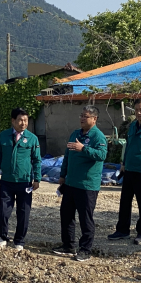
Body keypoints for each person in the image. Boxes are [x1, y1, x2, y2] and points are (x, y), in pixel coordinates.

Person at [54, 105, 107, 262]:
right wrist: (63, 175)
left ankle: (85, 249)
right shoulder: (75, 134)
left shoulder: (98, 136)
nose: (82, 119)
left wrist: (84, 148)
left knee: (85, 218)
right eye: (81, 116)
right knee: (66, 215)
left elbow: (102, 155)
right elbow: (68, 156)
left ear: (94, 119)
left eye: (86, 116)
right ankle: (68, 245)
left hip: (87, 185)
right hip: (71, 183)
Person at [108, 98, 141, 245]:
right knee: (125, 201)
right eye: (136, 110)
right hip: (130, 169)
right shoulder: (132, 126)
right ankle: (122, 230)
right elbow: (128, 147)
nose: (138, 112)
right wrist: (124, 163)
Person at [0, 108, 42, 251]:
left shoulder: (32, 138)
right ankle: (2, 237)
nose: (23, 123)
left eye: (25, 120)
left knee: (24, 212)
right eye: (20, 120)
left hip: (24, 181)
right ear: (13, 120)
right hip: (7, 181)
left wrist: (37, 178)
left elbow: (37, 160)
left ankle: (19, 240)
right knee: (3, 210)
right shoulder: (4, 136)